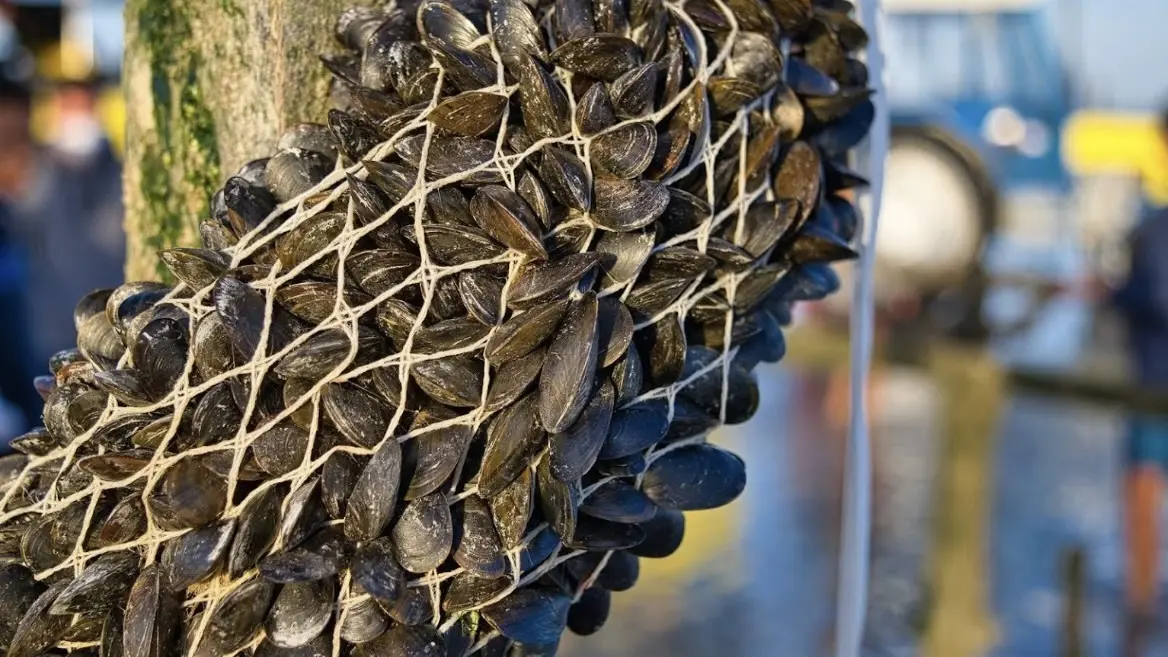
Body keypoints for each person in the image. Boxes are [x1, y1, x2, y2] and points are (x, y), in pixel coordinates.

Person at [1096, 103, 1168, 656]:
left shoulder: (1155, 226)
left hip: (1152, 382)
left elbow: (1156, 297)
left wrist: (1114, 293)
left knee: (1142, 493)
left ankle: (1139, 616)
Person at [12, 74, 124, 371]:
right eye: (67, 104)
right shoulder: (36, 169)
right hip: (48, 331)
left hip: (114, 323)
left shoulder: (119, 169)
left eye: (84, 103)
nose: (76, 114)